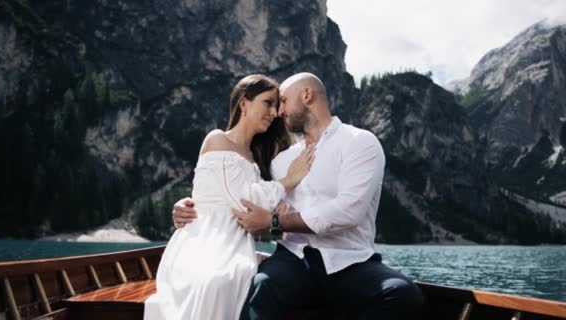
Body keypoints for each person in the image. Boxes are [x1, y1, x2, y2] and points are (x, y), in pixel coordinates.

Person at [172, 72, 424, 319]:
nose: (278, 112)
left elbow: (349, 211)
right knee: (262, 285)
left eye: (282, 101)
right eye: (272, 103)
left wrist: (274, 222)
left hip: (350, 261)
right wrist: (191, 204)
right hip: (293, 259)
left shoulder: (359, 142)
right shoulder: (282, 161)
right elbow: (239, 194)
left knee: (403, 293)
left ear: (306, 94)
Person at [143, 74, 315, 320]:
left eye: (277, 105)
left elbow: (265, 210)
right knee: (218, 280)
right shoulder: (217, 139)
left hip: (237, 243)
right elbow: (244, 202)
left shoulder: (257, 156)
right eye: (268, 102)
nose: (275, 112)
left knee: (241, 274)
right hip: (205, 239)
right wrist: (289, 180)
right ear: (244, 103)